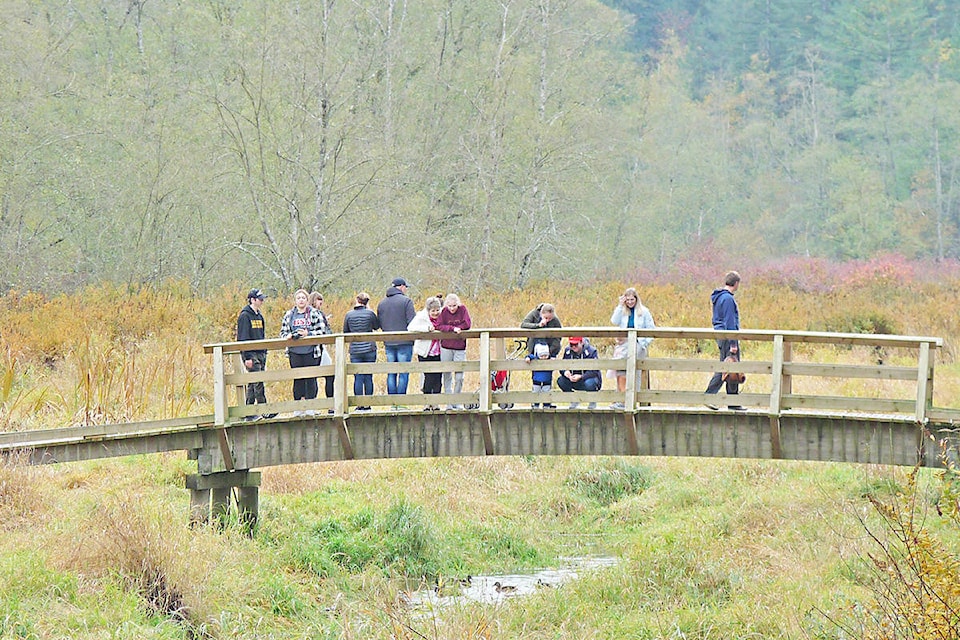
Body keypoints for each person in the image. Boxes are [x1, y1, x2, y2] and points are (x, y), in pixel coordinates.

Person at [610, 287, 657, 407]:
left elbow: (651, 329)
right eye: (628, 300)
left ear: (636, 299)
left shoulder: (644, 311)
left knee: (634, 371)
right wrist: (620, 306)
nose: (630, 302)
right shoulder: (623, 311)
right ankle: (621, 399)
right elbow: (614, 321)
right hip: (624, 344)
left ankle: (632, 400)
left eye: (632, 299)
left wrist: (644, 343)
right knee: (621, 368)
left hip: (638, 344)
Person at [280, 289, 324, 415]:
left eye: (303, 298)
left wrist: (308, 334)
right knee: (298, 379)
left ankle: (311, 407)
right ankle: (298, 407)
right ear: (295, 300)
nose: (301, 300)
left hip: (311, 351)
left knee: (311, 378)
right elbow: (282, 332)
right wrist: (288, 336)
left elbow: (322, 331)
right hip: (295, 352)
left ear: (307, 300)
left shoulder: (314, 313)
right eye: (298, 298)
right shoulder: (289, 315)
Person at [705, 271, 744, 410]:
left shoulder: (719, 297)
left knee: (731, 367)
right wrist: (733, 343)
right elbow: (730, 322)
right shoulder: (728, 299)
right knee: (727, 367)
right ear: (736, 283)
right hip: (728, 337)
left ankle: (733, 401)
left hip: (721, 335)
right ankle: (709, 395)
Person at [377, 277, 416, 399]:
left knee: (391, 372)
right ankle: (401, 401)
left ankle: (392, 401)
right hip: (405, 342)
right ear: (401, 287)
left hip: (389, 342)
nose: (406, 289)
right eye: (405, 287)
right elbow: (412, 322)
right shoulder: (406, 301)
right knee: (403, 372)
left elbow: (379, 323)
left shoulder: (382, 303)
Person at [237, 288, 273, 419]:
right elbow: (242, 337)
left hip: (260, 353)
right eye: (260, 299)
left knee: (253, 382)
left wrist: (264, 351)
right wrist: (246, 356)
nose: (262, 301)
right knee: (257, 381)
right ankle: (264, 409)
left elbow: (261, 335)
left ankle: (249, 411)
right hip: (250, 354)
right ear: (252, 300)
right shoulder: (245, 316)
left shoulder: (259, 316)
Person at [343, 292, 380, 410]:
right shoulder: (370, 314)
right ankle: (368, 404)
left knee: (358, 377)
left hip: (355, 350)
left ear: (356, 300)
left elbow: (345, 331)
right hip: (369, 348)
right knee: (368, 376)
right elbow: (376, 326)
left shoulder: (349, 315)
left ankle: (359, 404)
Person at [521, 303, 562, 408]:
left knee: (548, 376)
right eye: (546, 317)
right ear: (541, 313)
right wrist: (538, 325)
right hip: (534, 348)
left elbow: (558, 338)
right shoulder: (534, 314)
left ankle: (547, 402)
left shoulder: (555, 321)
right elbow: (524, 324)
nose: (548, 320)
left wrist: (551, 352)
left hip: (549, 351)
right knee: (536, 376)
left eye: (550, 318)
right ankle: (535, 402)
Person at [437, 293, 472, 408]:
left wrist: (460, 328)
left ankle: (456, 400)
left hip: (460, 347)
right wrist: (452, 329)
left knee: (459, 376)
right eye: (450, 306)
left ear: (458, 304)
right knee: (447, 374)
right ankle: (449, 401)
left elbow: (467, 323)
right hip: (446, 346)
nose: (452, 308)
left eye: (454, 306)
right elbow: (439, 326)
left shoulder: (463, 310)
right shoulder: (444, 312)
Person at [409, 296, 443, 409]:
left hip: (439, 351)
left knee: (438, 376)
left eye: (437, 310)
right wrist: (427, 328)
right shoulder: (421, 317)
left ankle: (436, 403)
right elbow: (411, 327)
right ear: (428, 310)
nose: (435, 313)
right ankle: (427, 403)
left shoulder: (443, 317)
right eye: (433, 310)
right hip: (425, 352)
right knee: (428, 376)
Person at [557, 336, 601, 408]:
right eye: (571, 345)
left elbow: (595, 371)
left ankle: (592, 401)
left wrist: (581, 376)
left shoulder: (591, 351)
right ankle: (574, 400)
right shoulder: (568, 351)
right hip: (573, 379)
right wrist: (566, 372)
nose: (573, 347)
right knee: (561, 381)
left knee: (590, 383)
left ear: (581, 342)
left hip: (588, 379)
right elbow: (562, 366)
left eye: (576, 344)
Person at [308, 291, 335, 400]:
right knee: (316, 376)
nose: (321, 304)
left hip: (320, 348)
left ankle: (329, 402)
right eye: (319, 301)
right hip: (314, 348)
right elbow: (326, 332)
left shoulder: (316, 313)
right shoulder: (314, 313)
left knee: (328, 374)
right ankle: (327, 403)